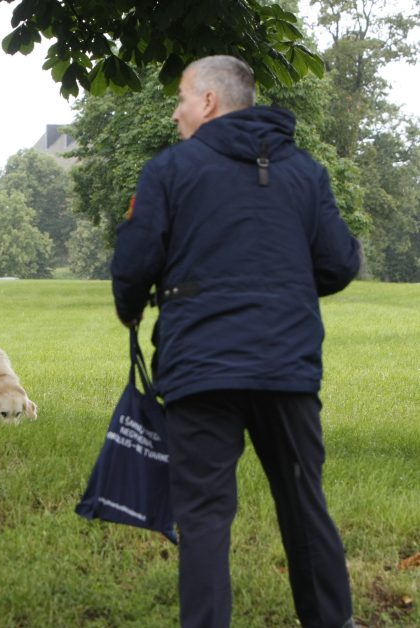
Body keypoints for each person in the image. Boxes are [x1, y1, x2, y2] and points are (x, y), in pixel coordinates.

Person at [110, 55, 362, 628]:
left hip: (201, 371)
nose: (175, 113)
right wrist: (286, 286)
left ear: (208, 102)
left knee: (202, 517)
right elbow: (340, 263)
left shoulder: (170, 170)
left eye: (180, 97)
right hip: (287, 371)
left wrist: (130, 311)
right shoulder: (306, 172)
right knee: (305, 506)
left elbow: (134, 261)